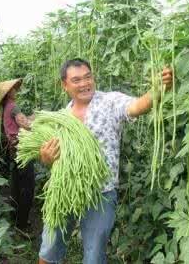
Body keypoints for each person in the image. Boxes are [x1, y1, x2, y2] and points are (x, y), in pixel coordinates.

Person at [37, 58, 172, 264]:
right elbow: (48, 155)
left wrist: (158, 89)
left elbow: (136, 106)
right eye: (76, 80)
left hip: (101, 193)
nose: (84, 83)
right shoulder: (60, 118)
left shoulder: (110, 102)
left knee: (94, 256)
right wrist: (46, 158)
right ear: (65, 85)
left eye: (88, 77)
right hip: (64, 189)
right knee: (49, 248)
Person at [0, 79, 35, 233]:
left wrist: (32, 116)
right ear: (8, 93)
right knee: (27, 186)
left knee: (16, 183)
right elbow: (26, 125)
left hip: (13, 149)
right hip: (22, 149)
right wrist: (41, 118)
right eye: (13, 89)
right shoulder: (13, 106)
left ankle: (16, 217)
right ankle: (22, 224)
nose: (16, 91)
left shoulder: (6, 107)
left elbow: (21, 121)